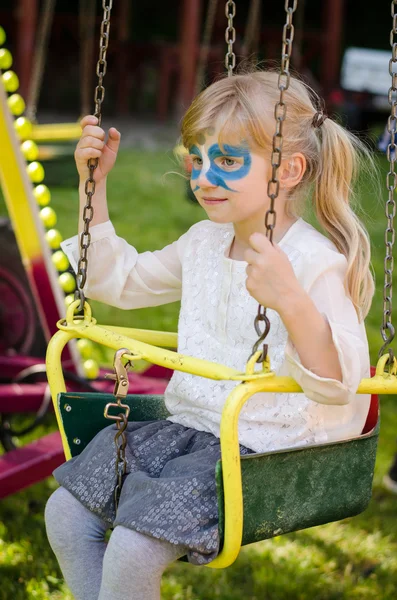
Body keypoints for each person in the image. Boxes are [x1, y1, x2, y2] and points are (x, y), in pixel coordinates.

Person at [45, 69, 375, 600]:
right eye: (197, 160)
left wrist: (289, 299)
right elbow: (119, 281)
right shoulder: (204, 241)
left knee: (132, 548)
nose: (203, 178)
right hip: (192, 429)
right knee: (64, 513)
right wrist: (95, 185)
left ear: (289, 170)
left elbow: (339, 383)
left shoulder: (314, 262)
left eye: (226, 161)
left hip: (265, 449)